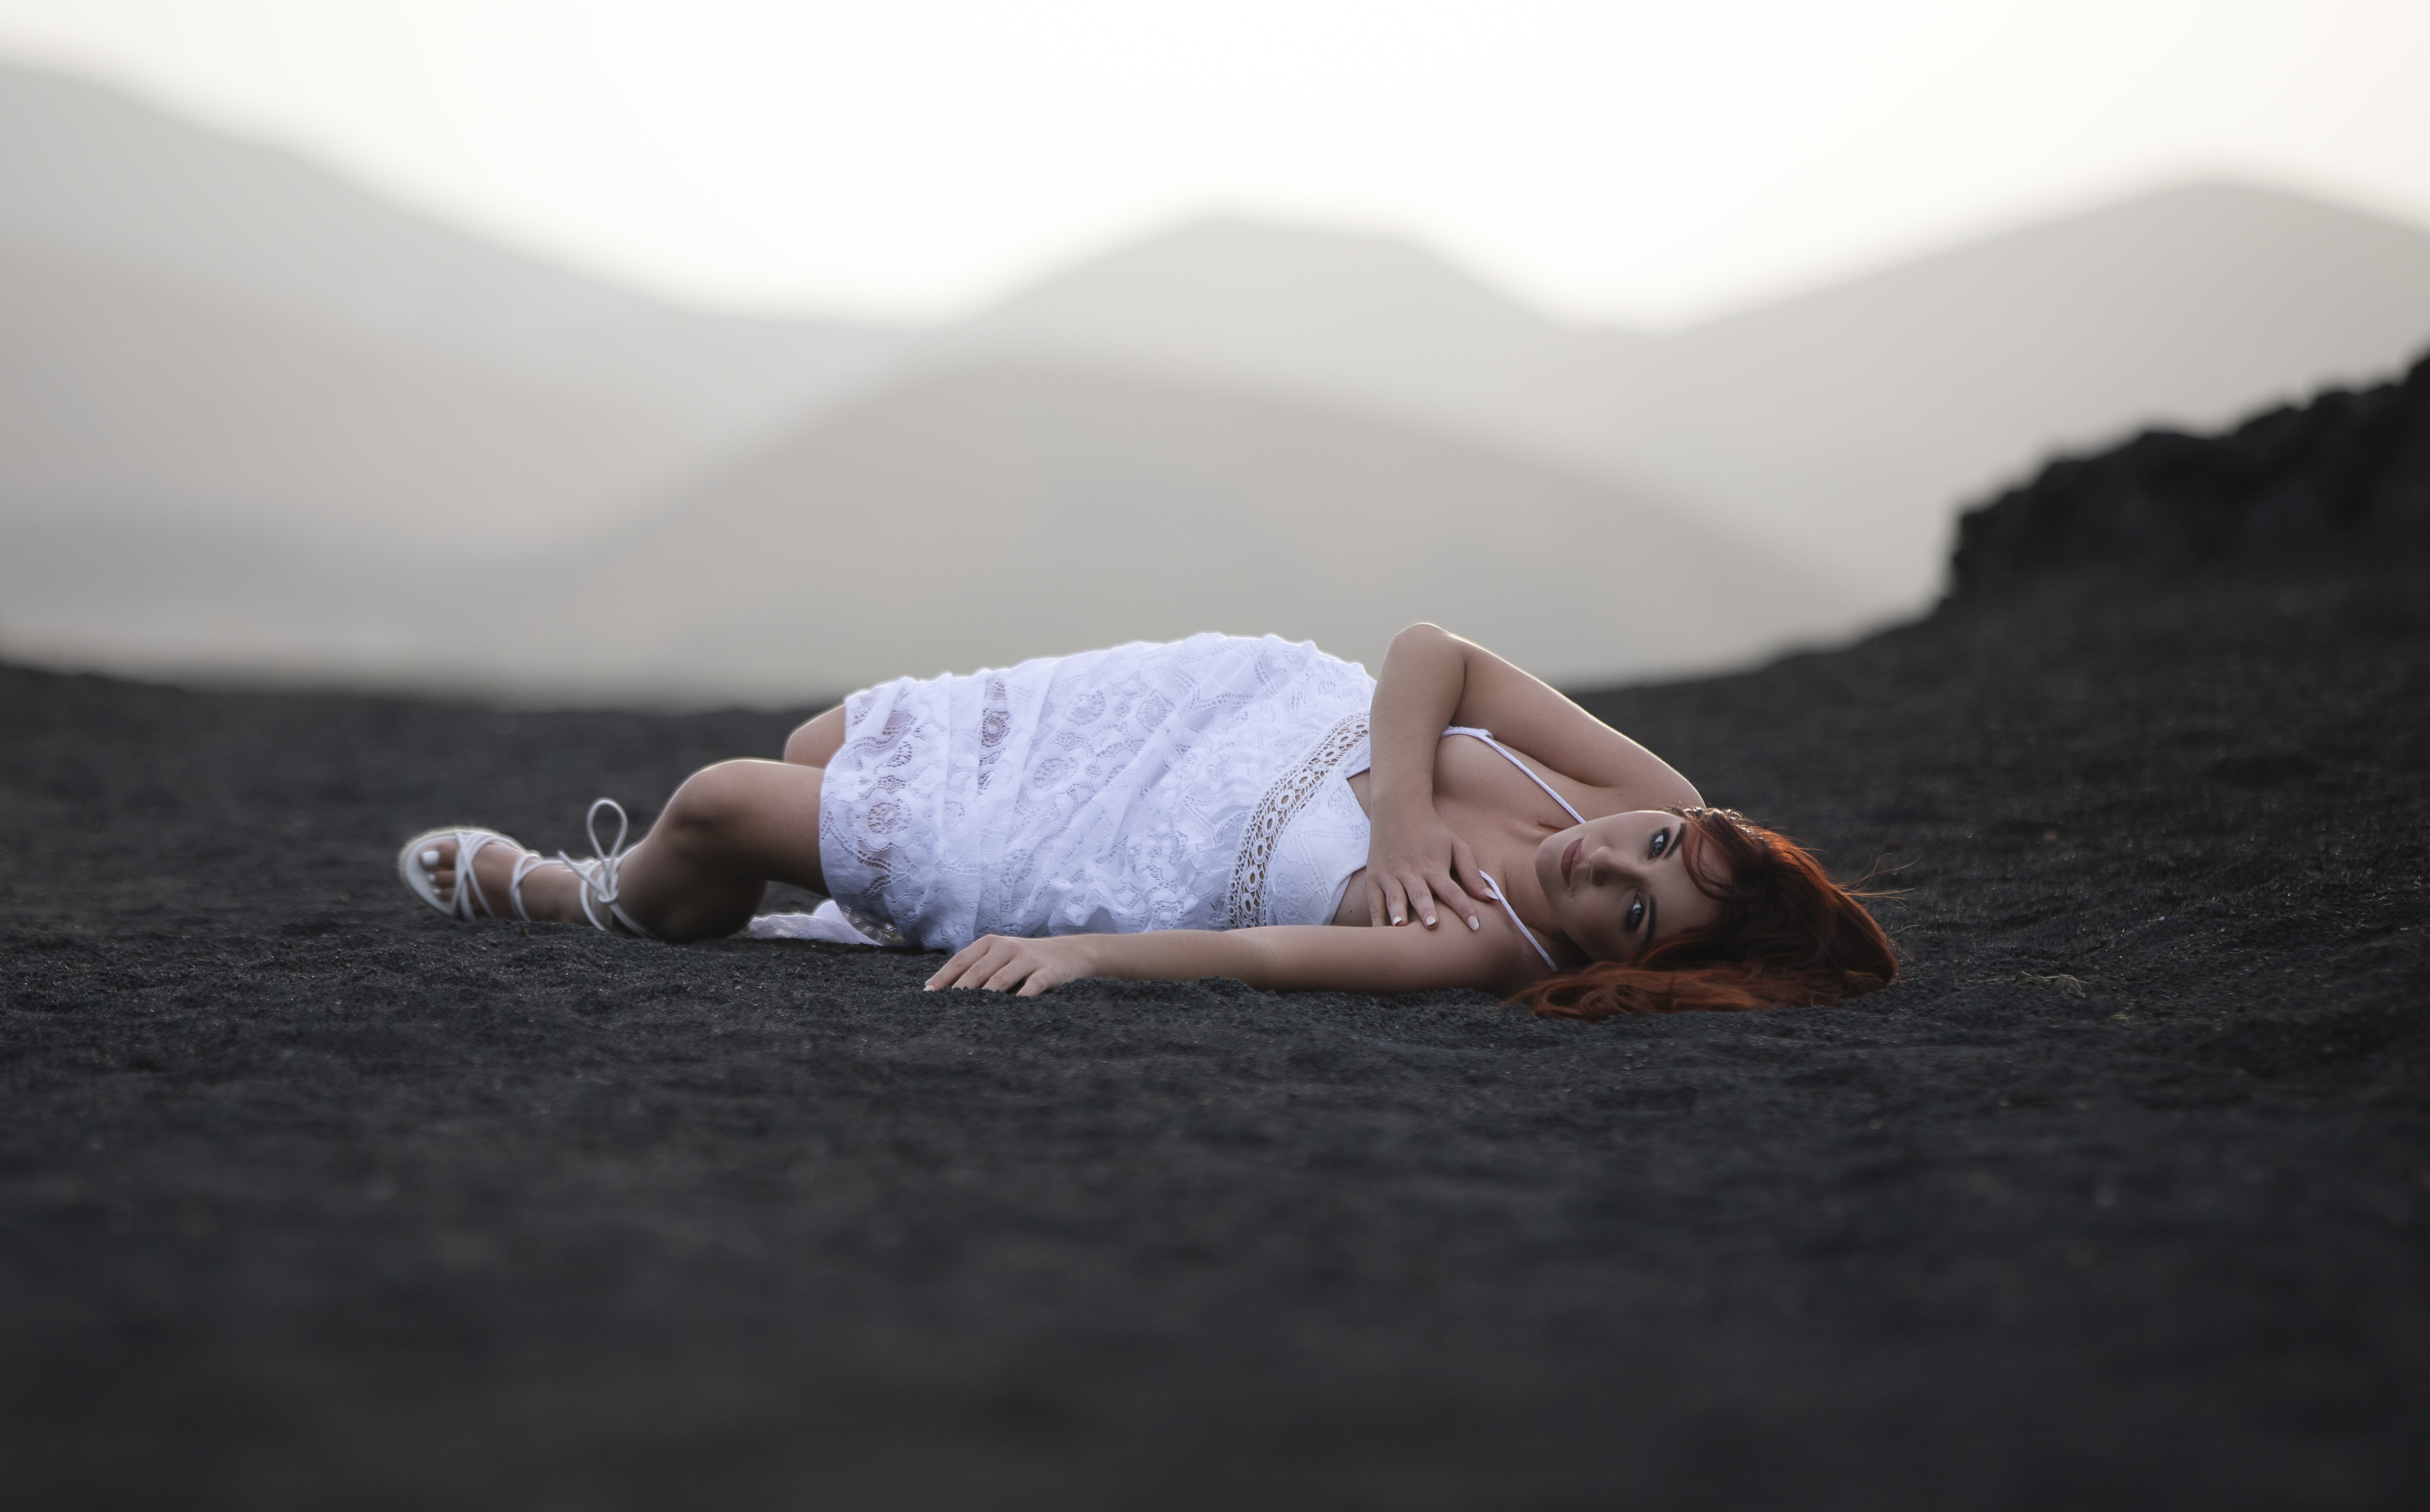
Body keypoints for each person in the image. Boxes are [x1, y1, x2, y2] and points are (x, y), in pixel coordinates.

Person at [398, 624, 1897, 1019]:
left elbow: (1265, 956)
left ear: (1621, 960)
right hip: (1197, 716)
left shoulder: (1479, 943)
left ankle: (587, 890)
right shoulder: (1649, 795)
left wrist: (1089, 956)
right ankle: (703, 882)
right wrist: (1399, 815)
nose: (1611, 856)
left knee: (726, 800)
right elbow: (1432, 653)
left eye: (1631, 907)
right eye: (1655, 849)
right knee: (819, 745)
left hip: (1102, 852)